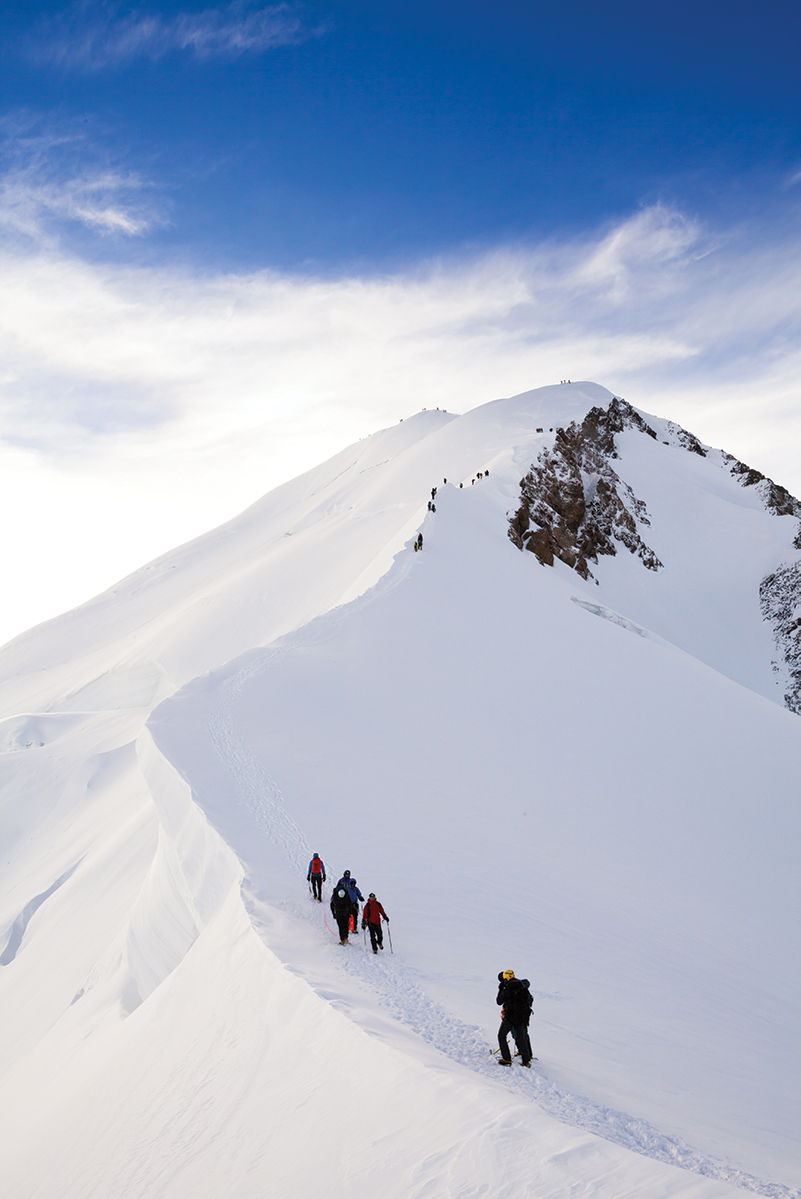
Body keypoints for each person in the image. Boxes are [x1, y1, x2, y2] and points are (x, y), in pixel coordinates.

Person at [496, 969, 533, 1067]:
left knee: (501, 1035)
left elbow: (499, 1001)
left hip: (510, 1016)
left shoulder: (507, 987)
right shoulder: (522, 986)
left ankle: (506, 1058)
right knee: (521, 1037)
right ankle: (526, 1061)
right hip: (521, 1017)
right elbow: (529, 1000)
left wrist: (501, 989)